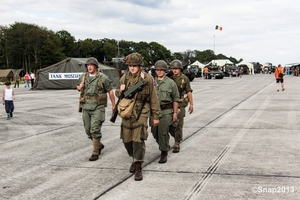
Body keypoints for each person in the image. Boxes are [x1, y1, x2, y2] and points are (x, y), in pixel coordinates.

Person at [115, 52, 160, 181]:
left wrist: (156, 116)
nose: (132, 68)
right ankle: (134, 158)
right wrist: (121, 91)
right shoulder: (124, 79)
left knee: (138, 140)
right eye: (130, 65)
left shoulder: (147, 79)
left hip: (142, 111)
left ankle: (138, 167)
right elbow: (118, 93)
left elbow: (154, 98)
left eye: (135, 65)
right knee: (126, 140)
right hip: (127, 111)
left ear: (140, 66)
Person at [76, 57, 116, 161]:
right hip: (86, 106)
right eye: (87, 65)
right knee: (87, 130)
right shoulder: (83, 77)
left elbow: (110, 91)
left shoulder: (103, 78)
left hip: (98, 106)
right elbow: (79, 87)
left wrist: (113, 105)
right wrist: (79, 87)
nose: (89, 67)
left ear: (96, 66)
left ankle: (95, 152)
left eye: (91, 65)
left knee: (95, 129)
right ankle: (98, 144)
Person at [151, 60, 179, 163]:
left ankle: (164, 152)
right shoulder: (152, 82)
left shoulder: (171, 83)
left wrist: (175, 113)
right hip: (154, 112)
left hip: (166, 111)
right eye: (157, 70)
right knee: (154, 132)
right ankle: (165, 145)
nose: (159, 72)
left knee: (163, 132)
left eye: (161, 70)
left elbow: (176, 99)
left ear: (165, 71)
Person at [170, 59, 194, 153]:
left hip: (180, 103)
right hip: (170, 103)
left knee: (178, 124)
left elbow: (188, 91)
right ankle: (176, 137)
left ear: (180, 69)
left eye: (176, 68)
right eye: (173, 68)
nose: (174, 70)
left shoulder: (184, 78)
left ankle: (177, 143)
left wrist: (191, 104)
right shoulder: (169, 78)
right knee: (168, 125)